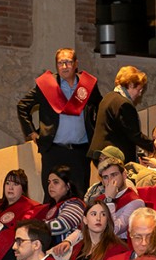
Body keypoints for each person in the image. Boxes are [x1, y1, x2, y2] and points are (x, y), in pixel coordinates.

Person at [18, 47, 101, 190]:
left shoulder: (88, 85)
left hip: (80, 153)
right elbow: (22, 106)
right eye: (60, 63)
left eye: (68, 62)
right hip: (53, 151)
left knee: (80, 193)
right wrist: (31, 132)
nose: (64, 66)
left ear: (76, 64)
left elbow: (101, 106)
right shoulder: (47, 85)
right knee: (52, 194)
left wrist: (95, 129)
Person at [93, 65, 153, 169]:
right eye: (139, 90)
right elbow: (134, 135)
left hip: (100, 152)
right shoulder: (124, 104)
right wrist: (155, 146)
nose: (139, 94)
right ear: (130, 85)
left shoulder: (108, 98)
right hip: (112, 155)